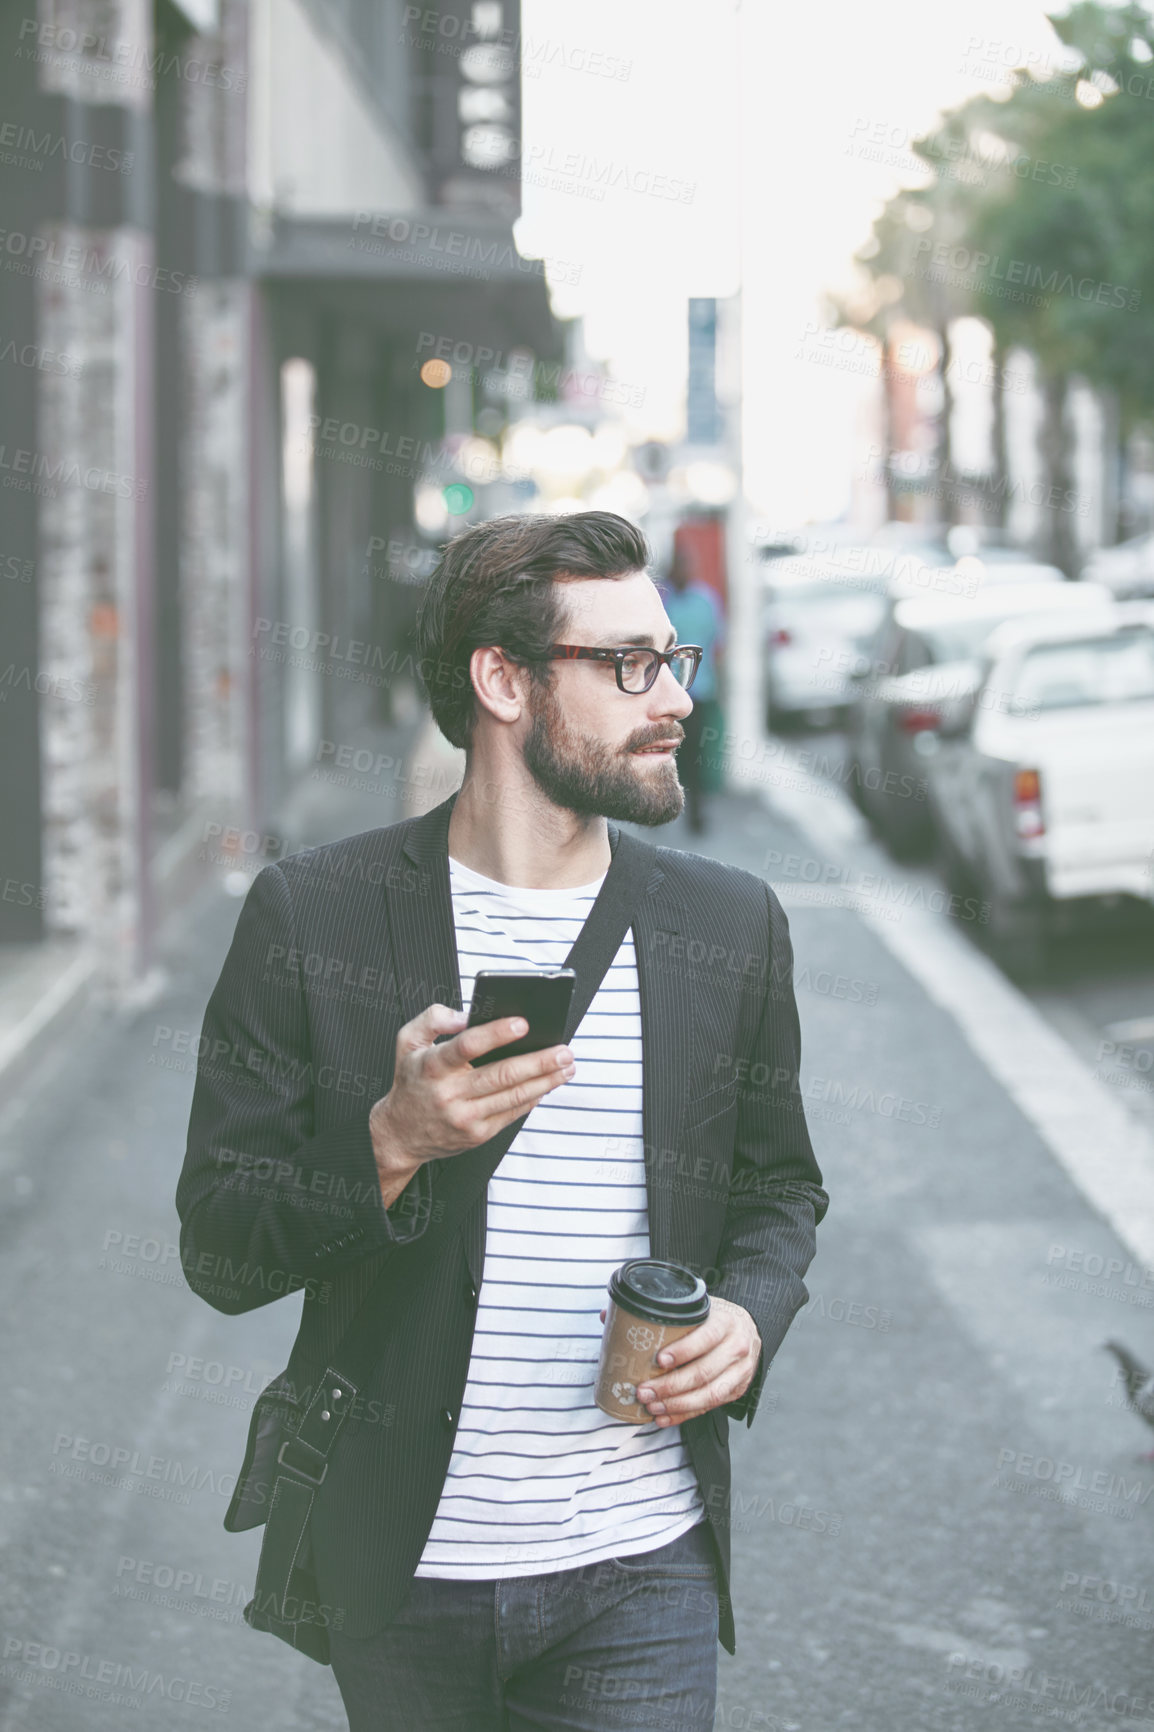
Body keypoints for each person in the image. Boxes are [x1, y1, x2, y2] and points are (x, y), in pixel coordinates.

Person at [176, 510, 827, 1732]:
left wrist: (749, 1309)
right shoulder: (314, 917)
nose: (674, 696)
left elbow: (778, 1189)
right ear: (503, 681)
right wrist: (389, 1144)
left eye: (672, 658)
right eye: (627, 663)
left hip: (643, 1565)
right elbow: (217, 1245)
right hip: (404, 1563)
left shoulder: (728, 926)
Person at [658, 542, 725, 833]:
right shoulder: (663, 601)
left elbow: (717, 641)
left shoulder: (704, 600)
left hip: (698, 691)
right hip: (666, 693)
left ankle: (695, 814)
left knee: (694, 754)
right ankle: (662, 811)